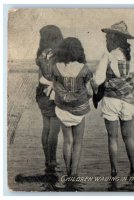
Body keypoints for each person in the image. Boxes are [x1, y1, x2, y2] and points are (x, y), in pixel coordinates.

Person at [92, 21, 134, 177]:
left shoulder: (108, 56)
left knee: (112, 138)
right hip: (128, 101)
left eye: (107, 38)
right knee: (128, 136)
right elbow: (133, 81)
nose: (106, 41)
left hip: (111, 100)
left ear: (114, 39)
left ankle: (114, 172)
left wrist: (95, 91)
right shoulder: (132, 58)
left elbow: (97, 80)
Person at [52, 37, 93, 176]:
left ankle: (68, 171)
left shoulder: (56, 67)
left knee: (67, 141)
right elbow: (89, 88)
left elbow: (54, 84)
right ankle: (74, 173)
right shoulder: (84, 68)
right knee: (78, 143)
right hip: (79, 109)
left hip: (63, 109)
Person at [35, 25, 63, 172]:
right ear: (56, 38)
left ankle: (47, 160)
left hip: (41, 95)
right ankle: (53, 161)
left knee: (46, 128)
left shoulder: (41, 56)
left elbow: (40, 79)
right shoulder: (58, 56)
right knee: (54, 130)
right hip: (55, 96)